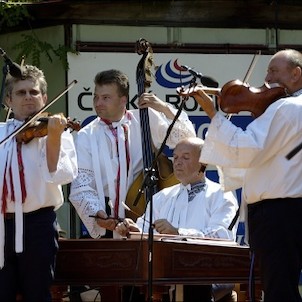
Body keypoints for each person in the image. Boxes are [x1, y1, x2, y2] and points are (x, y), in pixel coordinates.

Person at [178, 49, 302, 302]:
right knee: (281, 285)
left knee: (279, 290)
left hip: (279, 213)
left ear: (296, 74)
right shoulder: (287, 108)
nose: (266, 79)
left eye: (274, 71)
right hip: (287, 211)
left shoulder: (288, 107)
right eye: (267, 70)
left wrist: (213, 113)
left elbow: (245, 149)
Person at [69, 69, 196, 239]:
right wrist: (98, 213)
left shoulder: (145, 118)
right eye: (96, 97)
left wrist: (163, 108)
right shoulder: (86, 135)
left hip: (143, 206)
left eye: (105, 98)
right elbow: (81, 186)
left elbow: (188, 140)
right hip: (106, 213)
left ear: (123, 100)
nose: (98, 103)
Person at [116, 137, 238, 302]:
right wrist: (134, 230)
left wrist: (179, 233)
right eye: (176, 157)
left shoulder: (221, 194)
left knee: (192, 283)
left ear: (203, 162)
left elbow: (222, 236)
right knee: (133, 282)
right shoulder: (162, 197)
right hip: (166, 271)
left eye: (186, 157)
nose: (178, 162)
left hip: (208, 271)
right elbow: (144, 229)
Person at [0, 65, 78, 302]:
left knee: (38, 295)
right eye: (21, 93)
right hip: (1, 226)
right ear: (8, 100)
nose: (28, 98)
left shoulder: (57, 133)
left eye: (34, 92)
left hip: (38, 225)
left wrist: (53, 136)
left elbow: (60, 176)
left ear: (44, 98)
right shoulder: (1, 134)